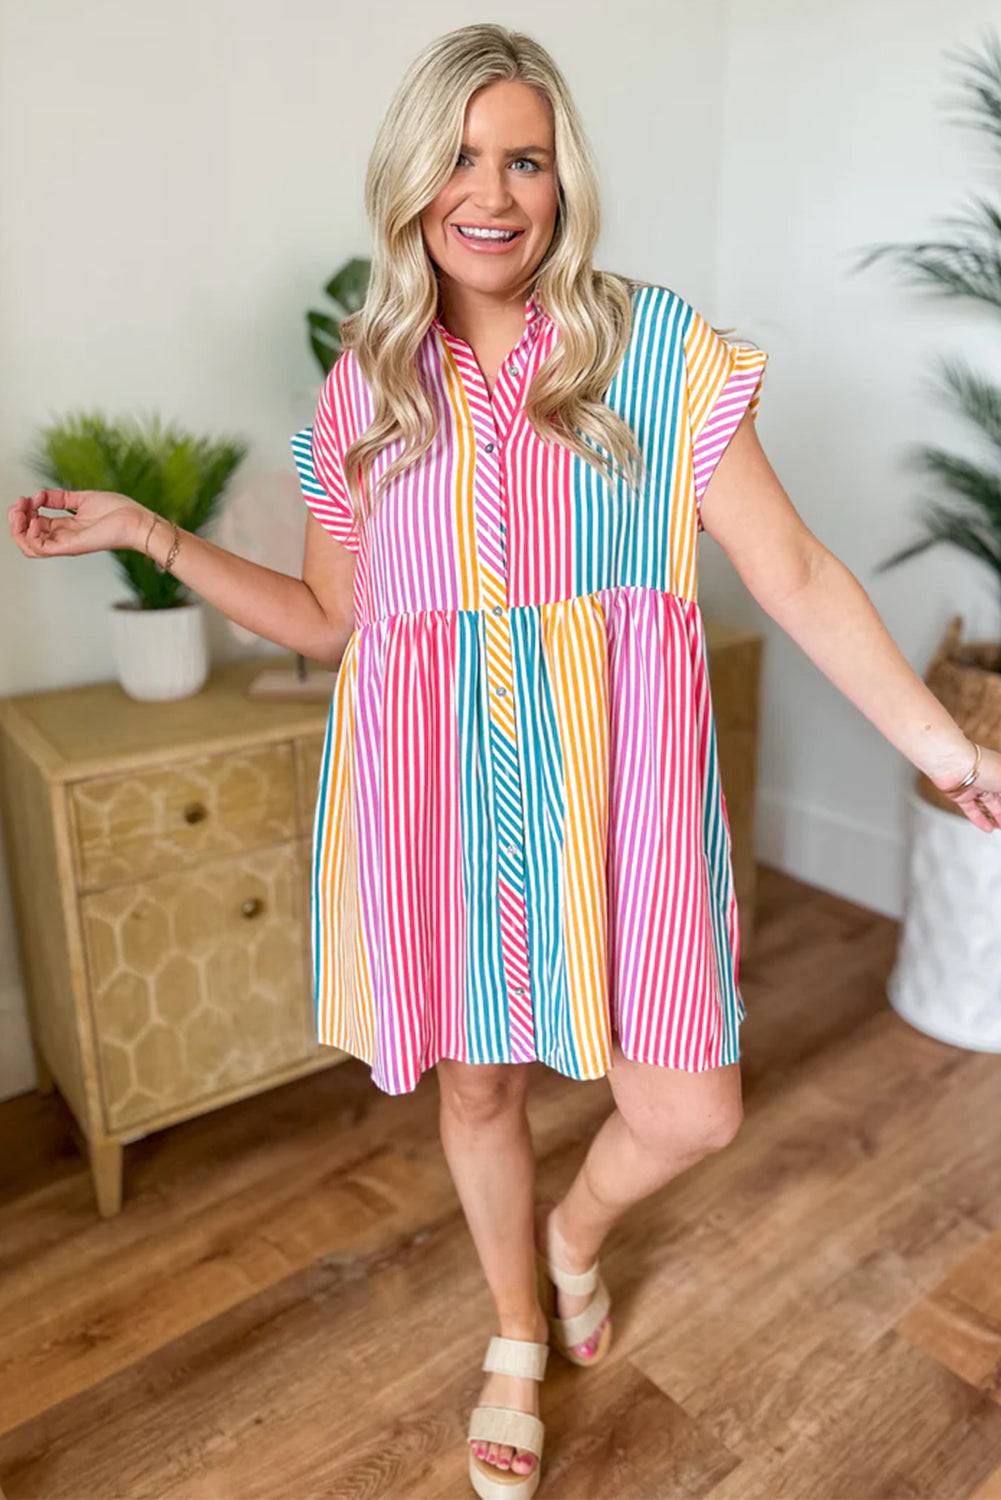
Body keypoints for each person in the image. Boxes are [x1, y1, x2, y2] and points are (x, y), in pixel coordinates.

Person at [9, 22, 1001, 1499]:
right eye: (461, 156)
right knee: (474, 1097)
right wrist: (150, 536)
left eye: (524, 156)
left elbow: (788, 568)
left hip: (629, 800)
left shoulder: (648, 347)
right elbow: (331, 623)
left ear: (562, 179)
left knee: (687, 1108)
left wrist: (946, 747)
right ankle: (517, 1336)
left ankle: (574, 1234)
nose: (493, 189)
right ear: (410, 182)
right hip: (439, 801)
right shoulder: (366, 393)